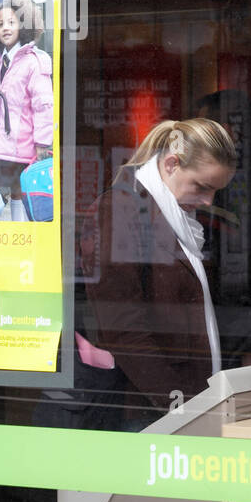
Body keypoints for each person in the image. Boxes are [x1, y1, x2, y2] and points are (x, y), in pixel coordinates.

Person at [88, 119, 239, 424]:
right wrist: (180, 407)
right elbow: (124, 329)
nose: (209, 201)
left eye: (216, 191)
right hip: (148, 411)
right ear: (171, 164)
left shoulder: (177, 217)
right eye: (202, 186)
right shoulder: (122, 210)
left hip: (184, 405)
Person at [0, 0, 54, 221]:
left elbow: (43, 104)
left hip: (23, 142)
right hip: (3, 143)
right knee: (13, 191)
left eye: (12, 22)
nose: (6, 28)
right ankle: (17, 230)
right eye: (1, 24)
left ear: (24, 25)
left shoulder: (34, 61)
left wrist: (42, 141)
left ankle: (24, 230)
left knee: (23, 189)